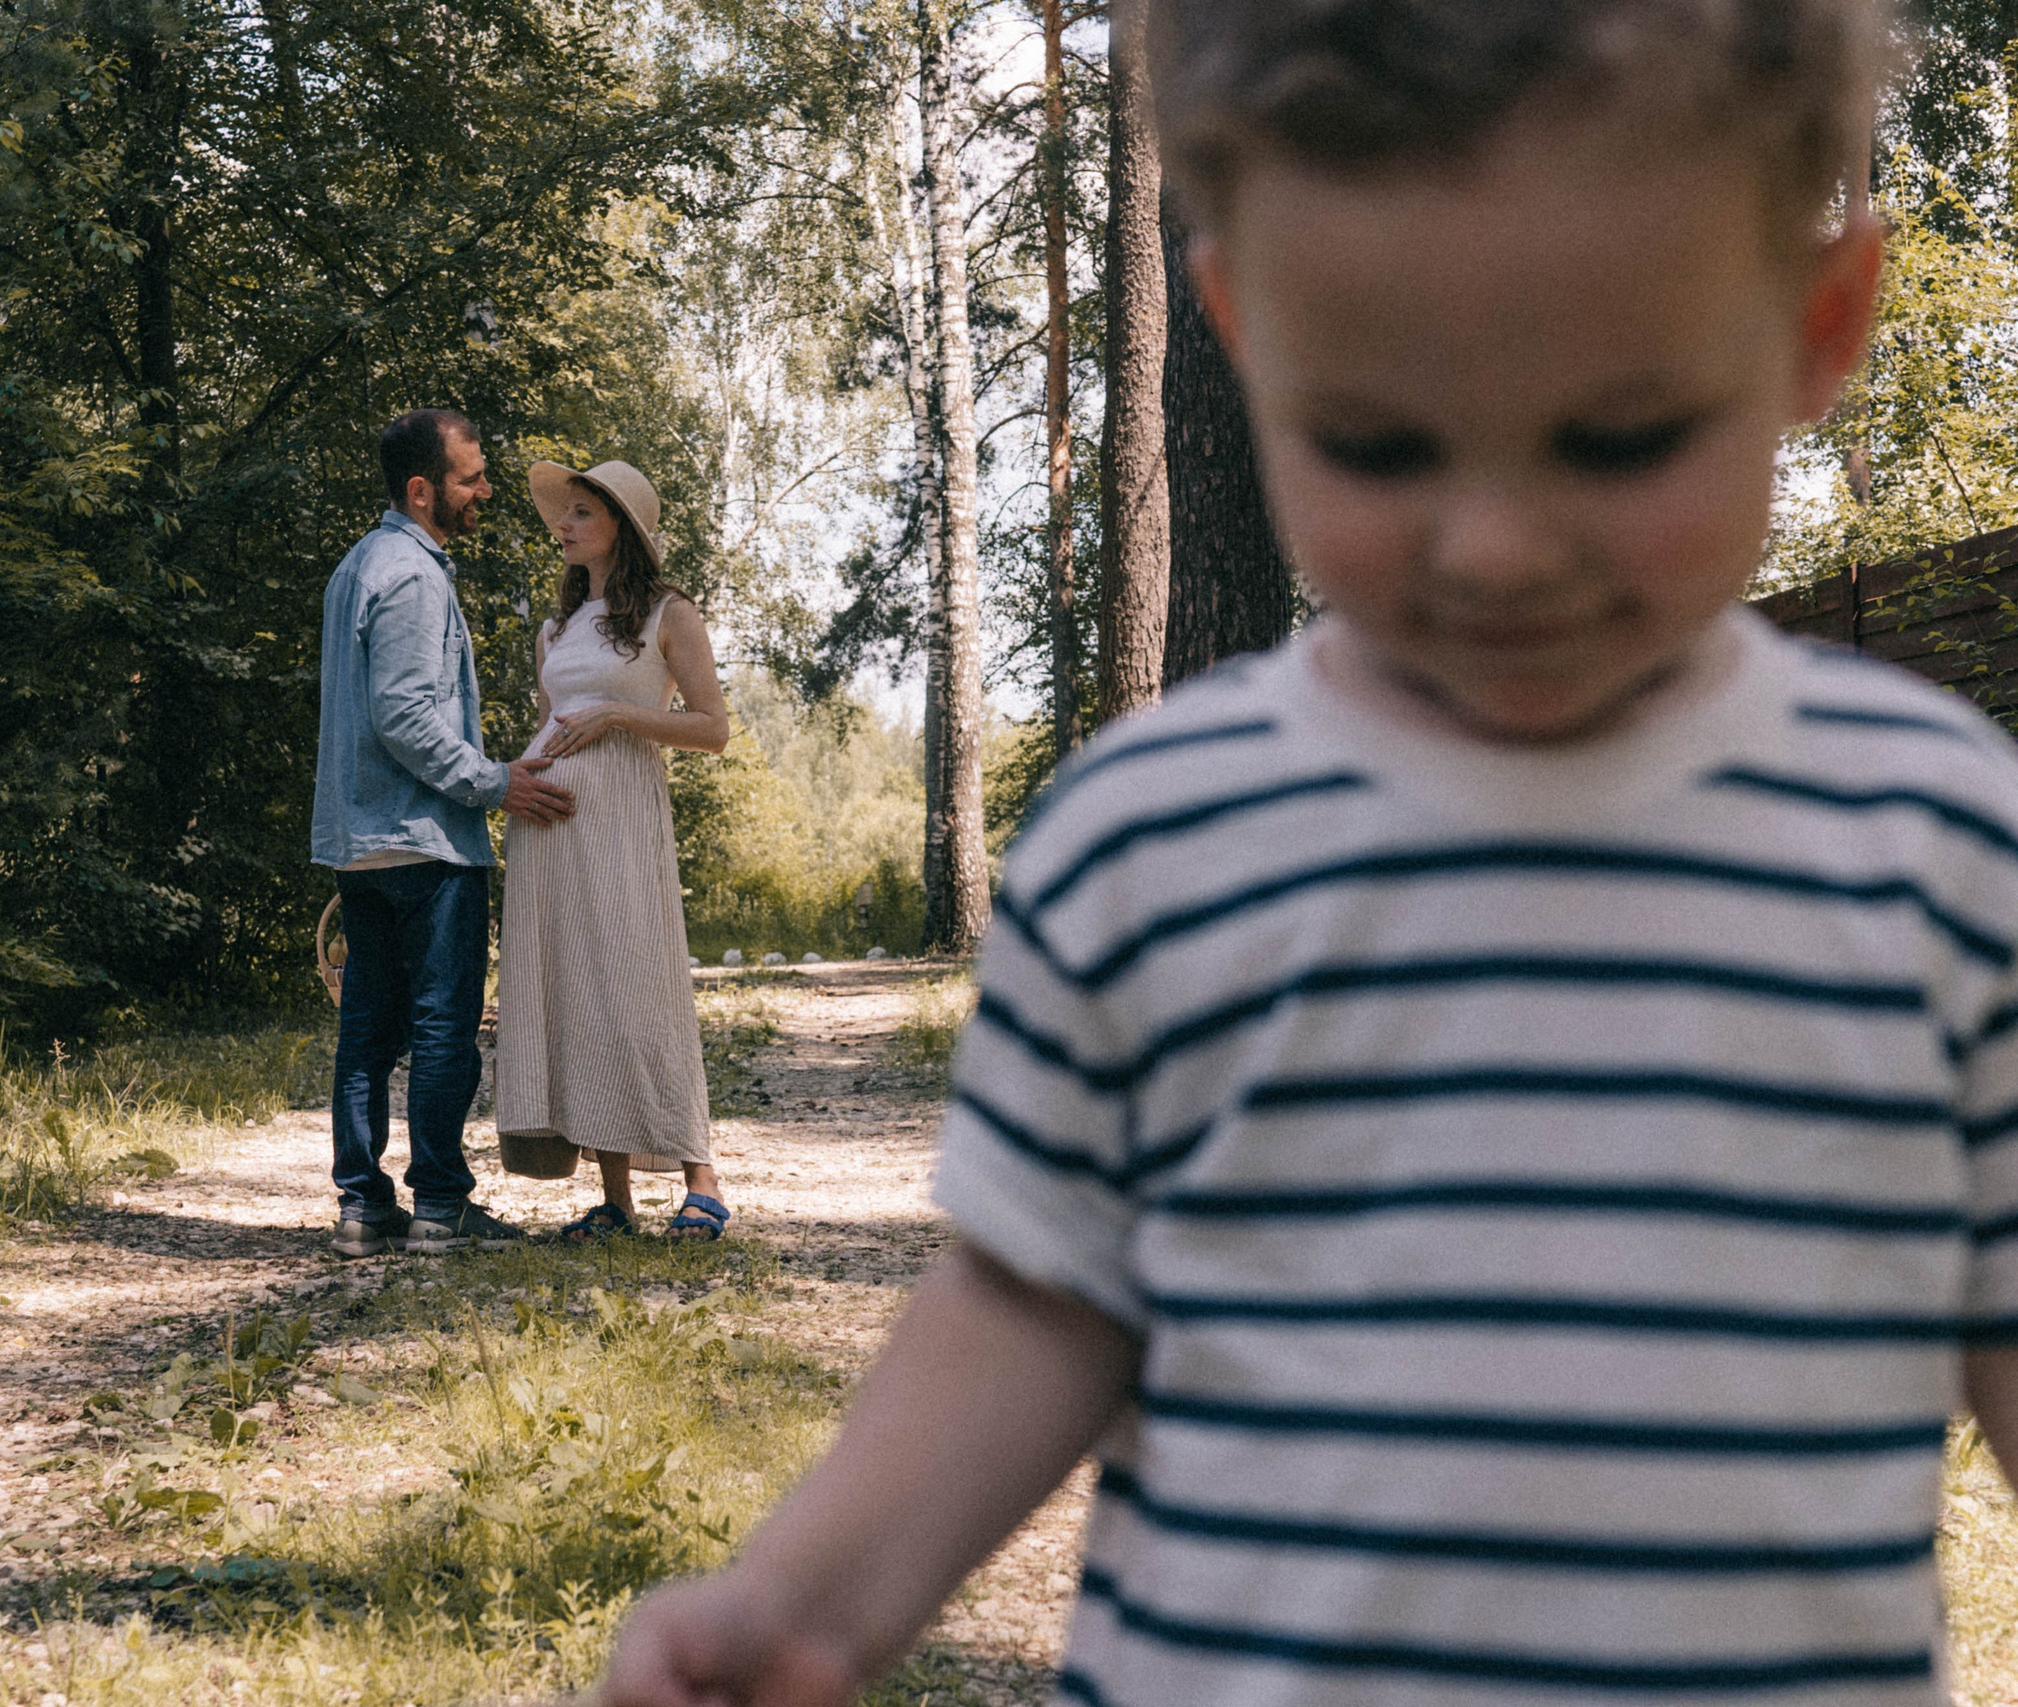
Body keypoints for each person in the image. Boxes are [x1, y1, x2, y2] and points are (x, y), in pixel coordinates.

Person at [596, 2, 2018, 1702]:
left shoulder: (1937, 849)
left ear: (1821, 318)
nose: (1493, 549)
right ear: (1245, 324)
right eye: (1379, 444)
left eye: (1620, 438)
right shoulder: (1156, 845)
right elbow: (1037, 1308)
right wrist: (804, 1607)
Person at [309, 408, 576, 1258]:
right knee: (439, 1026)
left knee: (367, 1029)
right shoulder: (414, 575)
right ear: (422, 489)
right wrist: (495, 783)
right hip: (424, 838)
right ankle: (439, 1205)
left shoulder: (356, 566)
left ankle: (362, 1206)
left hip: (361, 841)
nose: (485, 491)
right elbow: (404, 718)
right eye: (470, 478)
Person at [495, 459, 735, 1241]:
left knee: (640, 983)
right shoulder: (555, 631)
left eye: (580, 513)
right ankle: (615, 1200)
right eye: (563, 514)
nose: (562, 526)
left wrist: (621, 717)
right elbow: (552, 722)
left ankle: (702, 1176)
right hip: (550, 832)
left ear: (620, 529)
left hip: (623, 823)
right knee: (578, 995)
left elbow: (713, 727)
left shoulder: (669, 613)